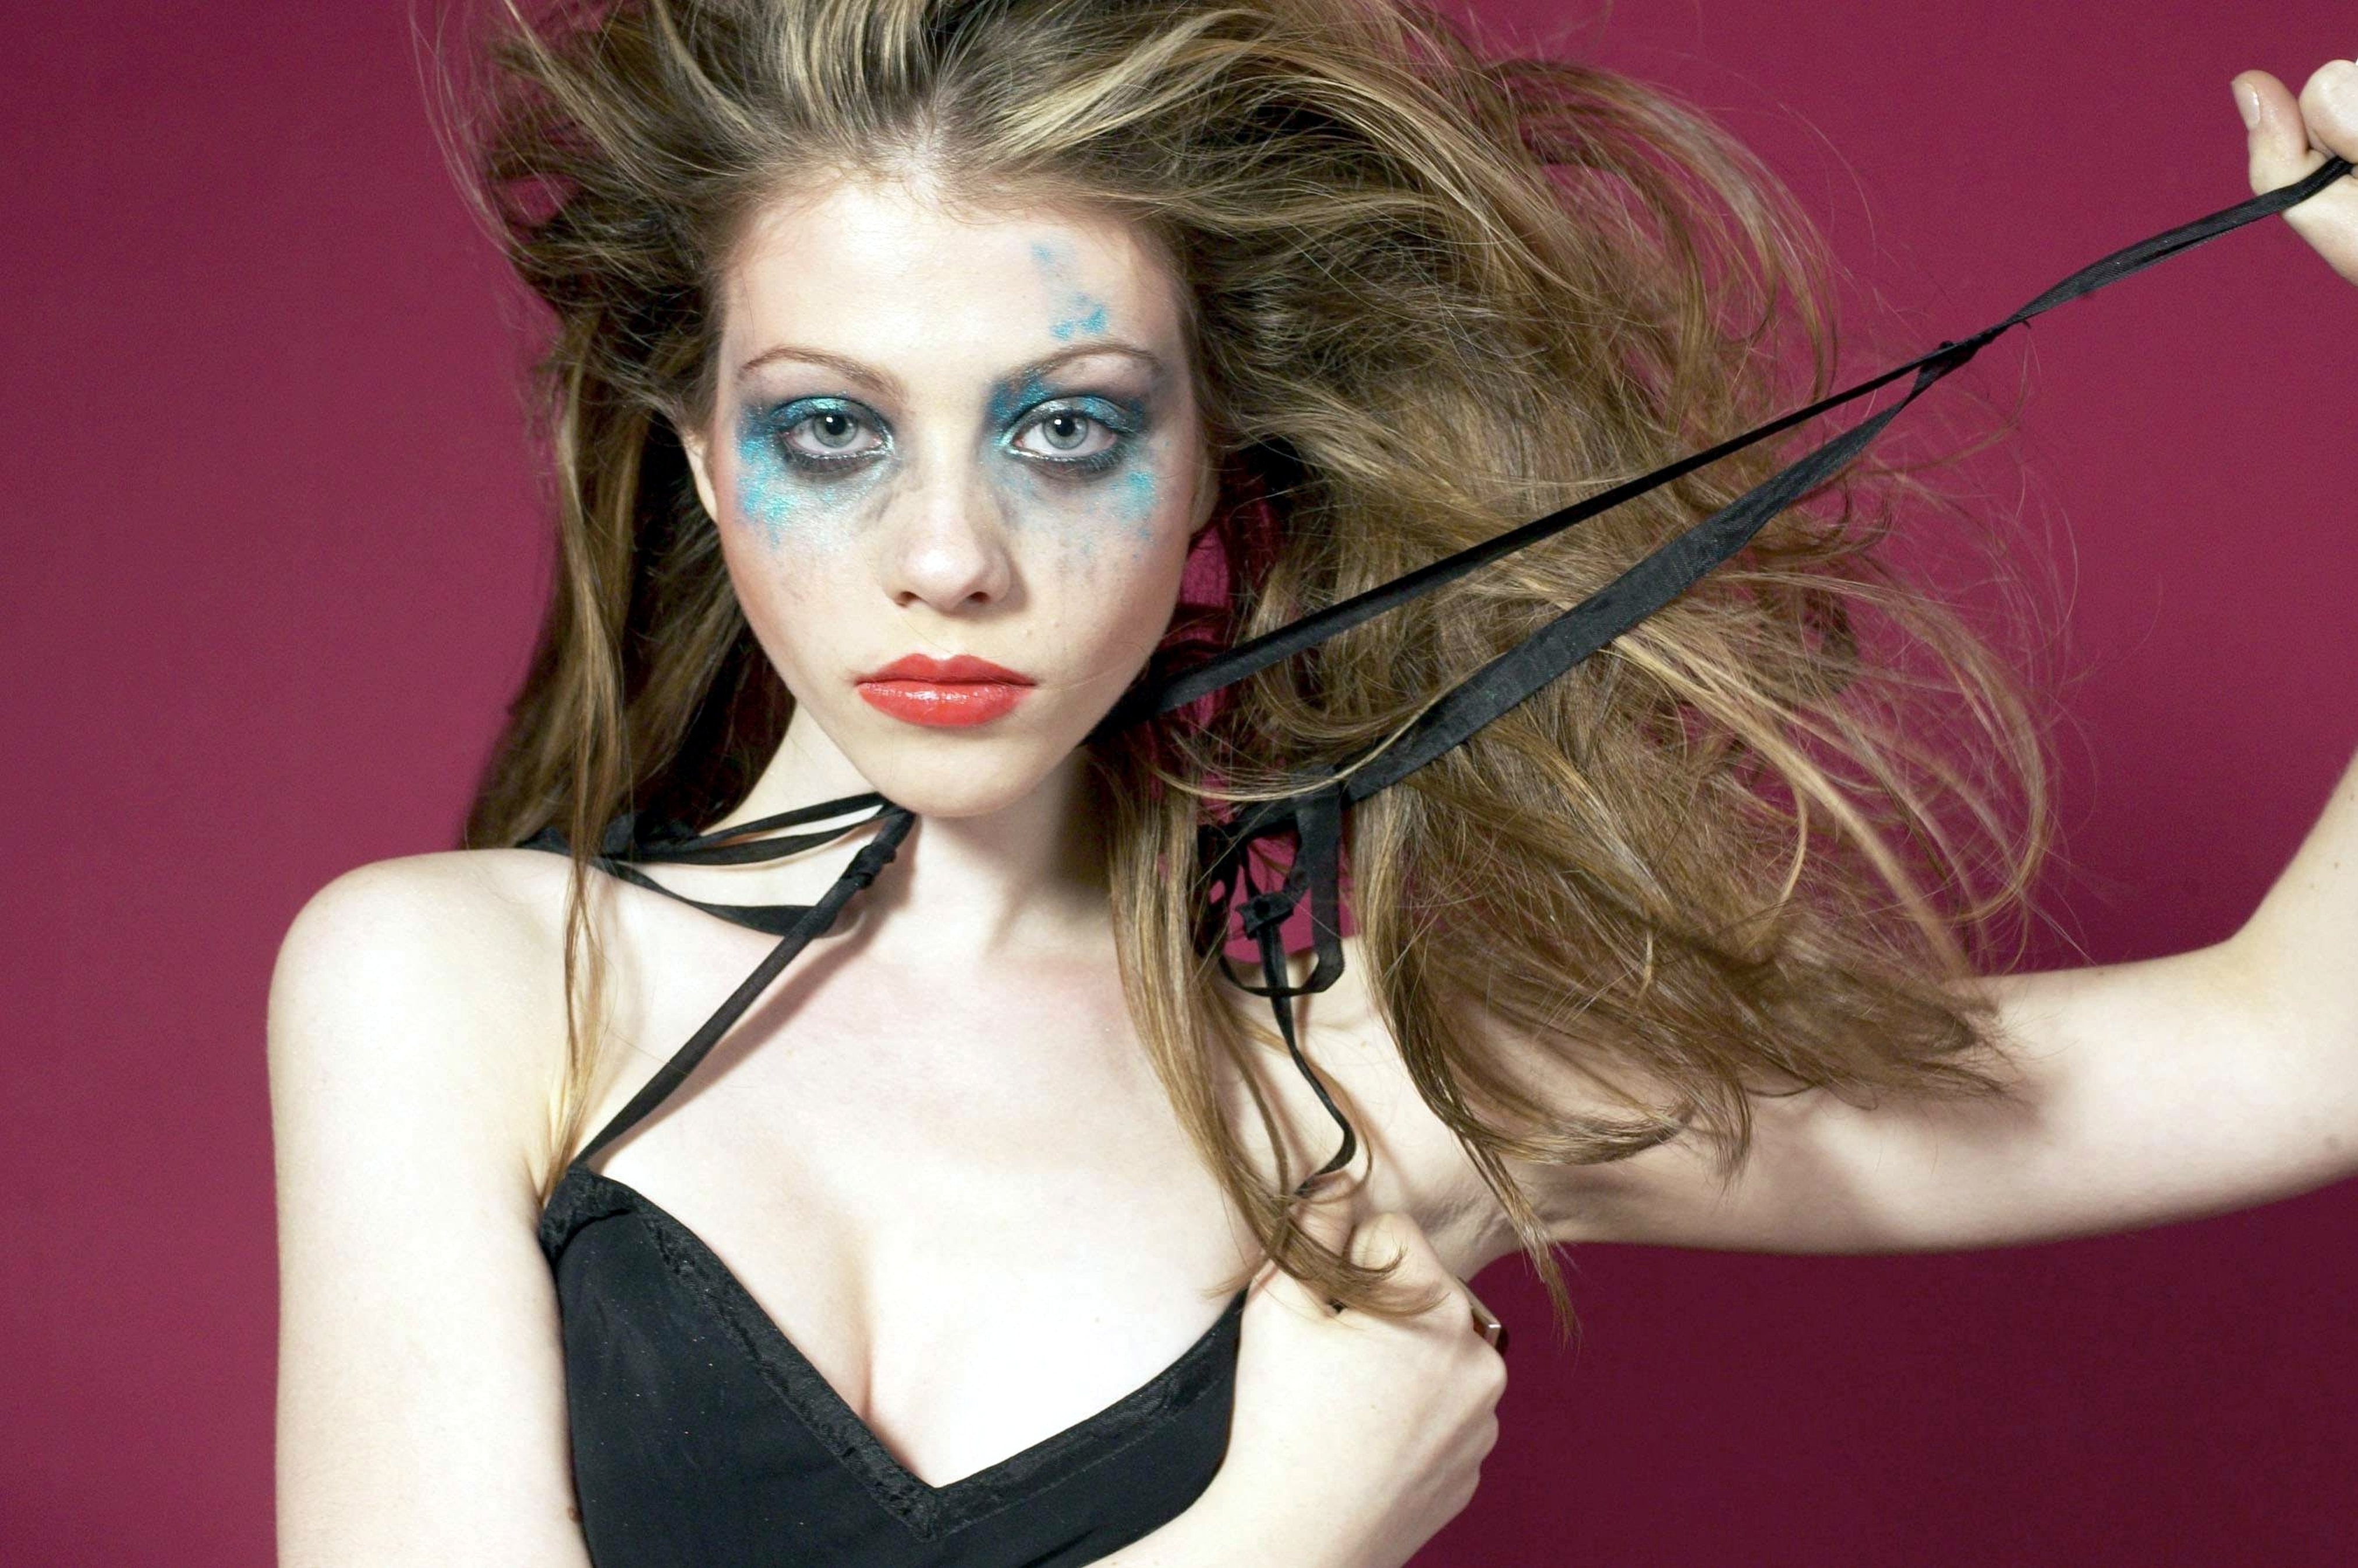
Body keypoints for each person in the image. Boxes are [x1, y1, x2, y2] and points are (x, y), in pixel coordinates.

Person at [265, 1, 2358, 1563]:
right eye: (832, 430)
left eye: (1065, 428)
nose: (947, 557)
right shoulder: (461, 990)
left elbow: (2292, 1056)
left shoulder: (1365, 1076)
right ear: (709, 462)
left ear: (1207, 466)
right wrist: (1281, 1531)